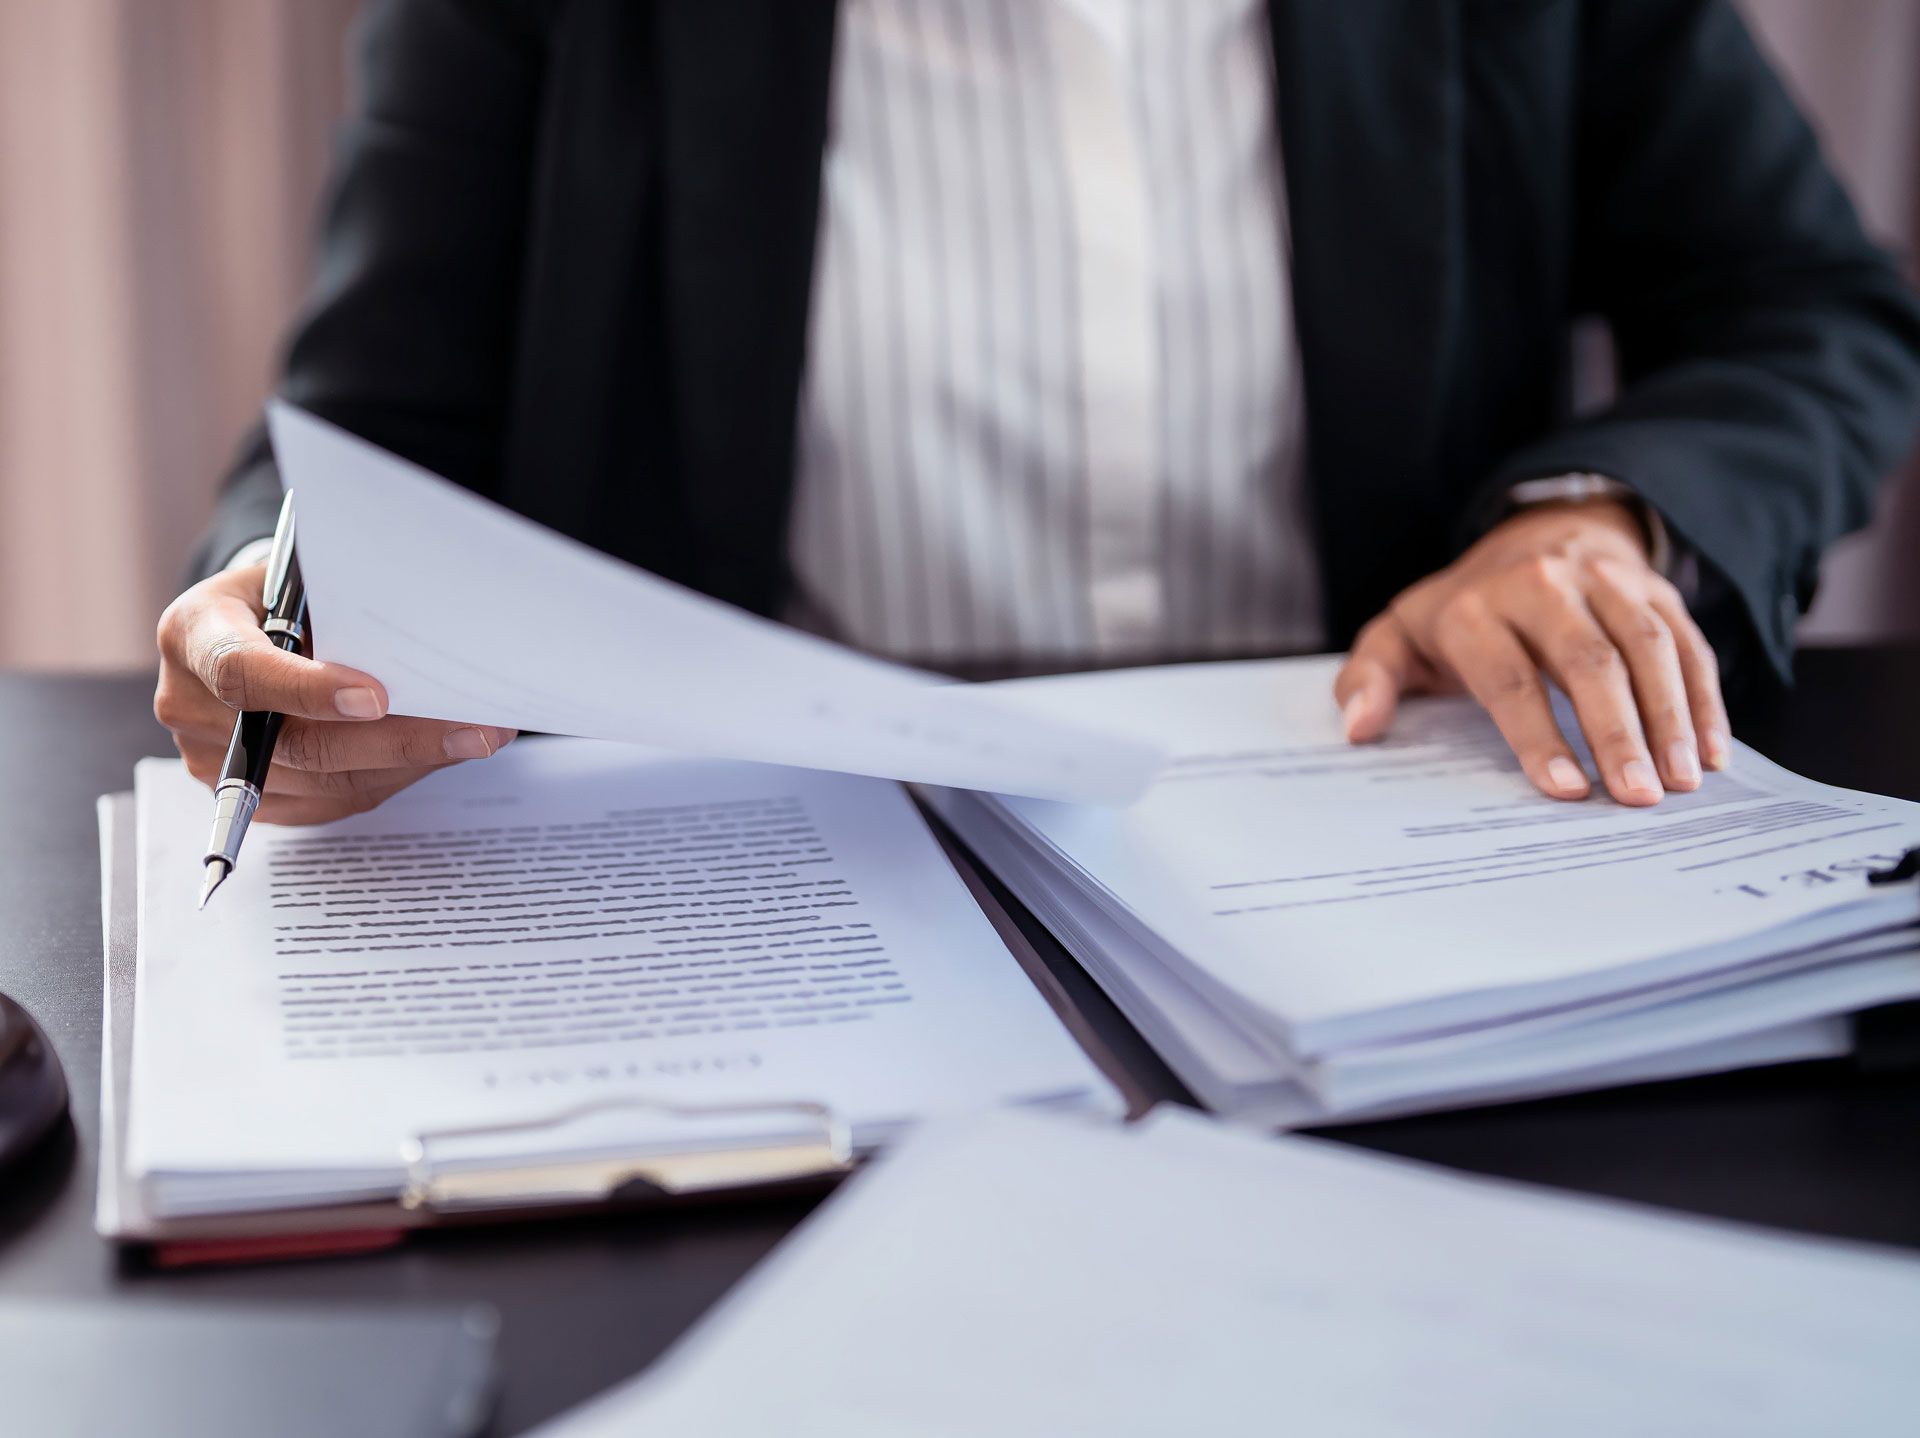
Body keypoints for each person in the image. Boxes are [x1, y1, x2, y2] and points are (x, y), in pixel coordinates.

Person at [155, 0, 1920, 825]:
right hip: (758, 892)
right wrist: (276, 613)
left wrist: (1596, 508)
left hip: (1386, 850)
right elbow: (353, 437)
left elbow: (1812, 306)